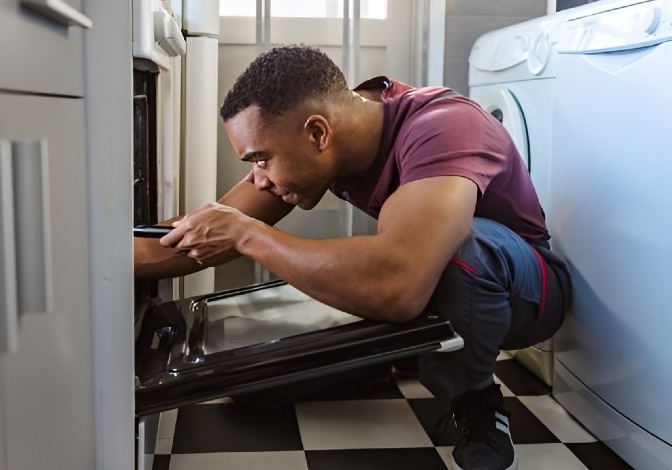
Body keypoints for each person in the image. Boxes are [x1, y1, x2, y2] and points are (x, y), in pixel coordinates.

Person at [134, 45, 571, 470]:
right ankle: (404, 356)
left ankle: (474, 399)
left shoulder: (445, 126)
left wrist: (249, 234)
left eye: (262, 160)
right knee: (259, 384)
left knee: (461, 246)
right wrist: (90, 255)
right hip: (424, 279)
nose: (258, 179)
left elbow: (398, 285)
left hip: (525, 292)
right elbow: (203, 231)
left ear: (318, 133)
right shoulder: (334, 131)